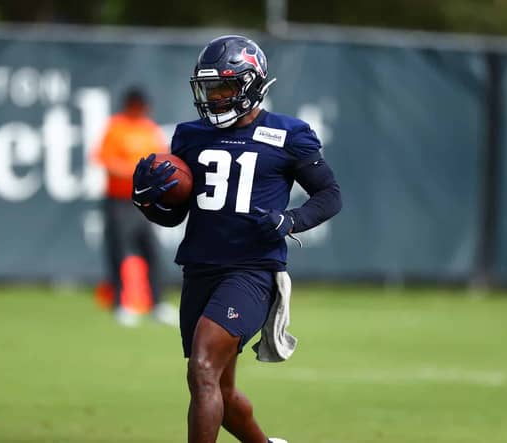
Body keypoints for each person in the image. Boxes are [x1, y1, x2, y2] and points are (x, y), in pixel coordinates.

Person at [132, 36, 342, 443]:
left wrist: (291, 220)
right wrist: (147, 202)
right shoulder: (189, 136)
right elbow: (176, 213)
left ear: (251, 84)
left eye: (224, 87)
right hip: (199, 268)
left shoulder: (289, 134)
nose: (214, 97)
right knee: (217, 389)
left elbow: (330, 195)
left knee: (203, 368)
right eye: (209, 88)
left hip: (251, 270)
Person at [91, 87, 178, 327]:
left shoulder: (149, 128)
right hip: (119, 201)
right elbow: (106, 162)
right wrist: (136, 173)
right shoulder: (116, 127)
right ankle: (120, 304)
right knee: (118, 251)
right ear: (131, 105)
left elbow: (162, 158)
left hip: (145, 201)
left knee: (152, 251)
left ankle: (157, 303)